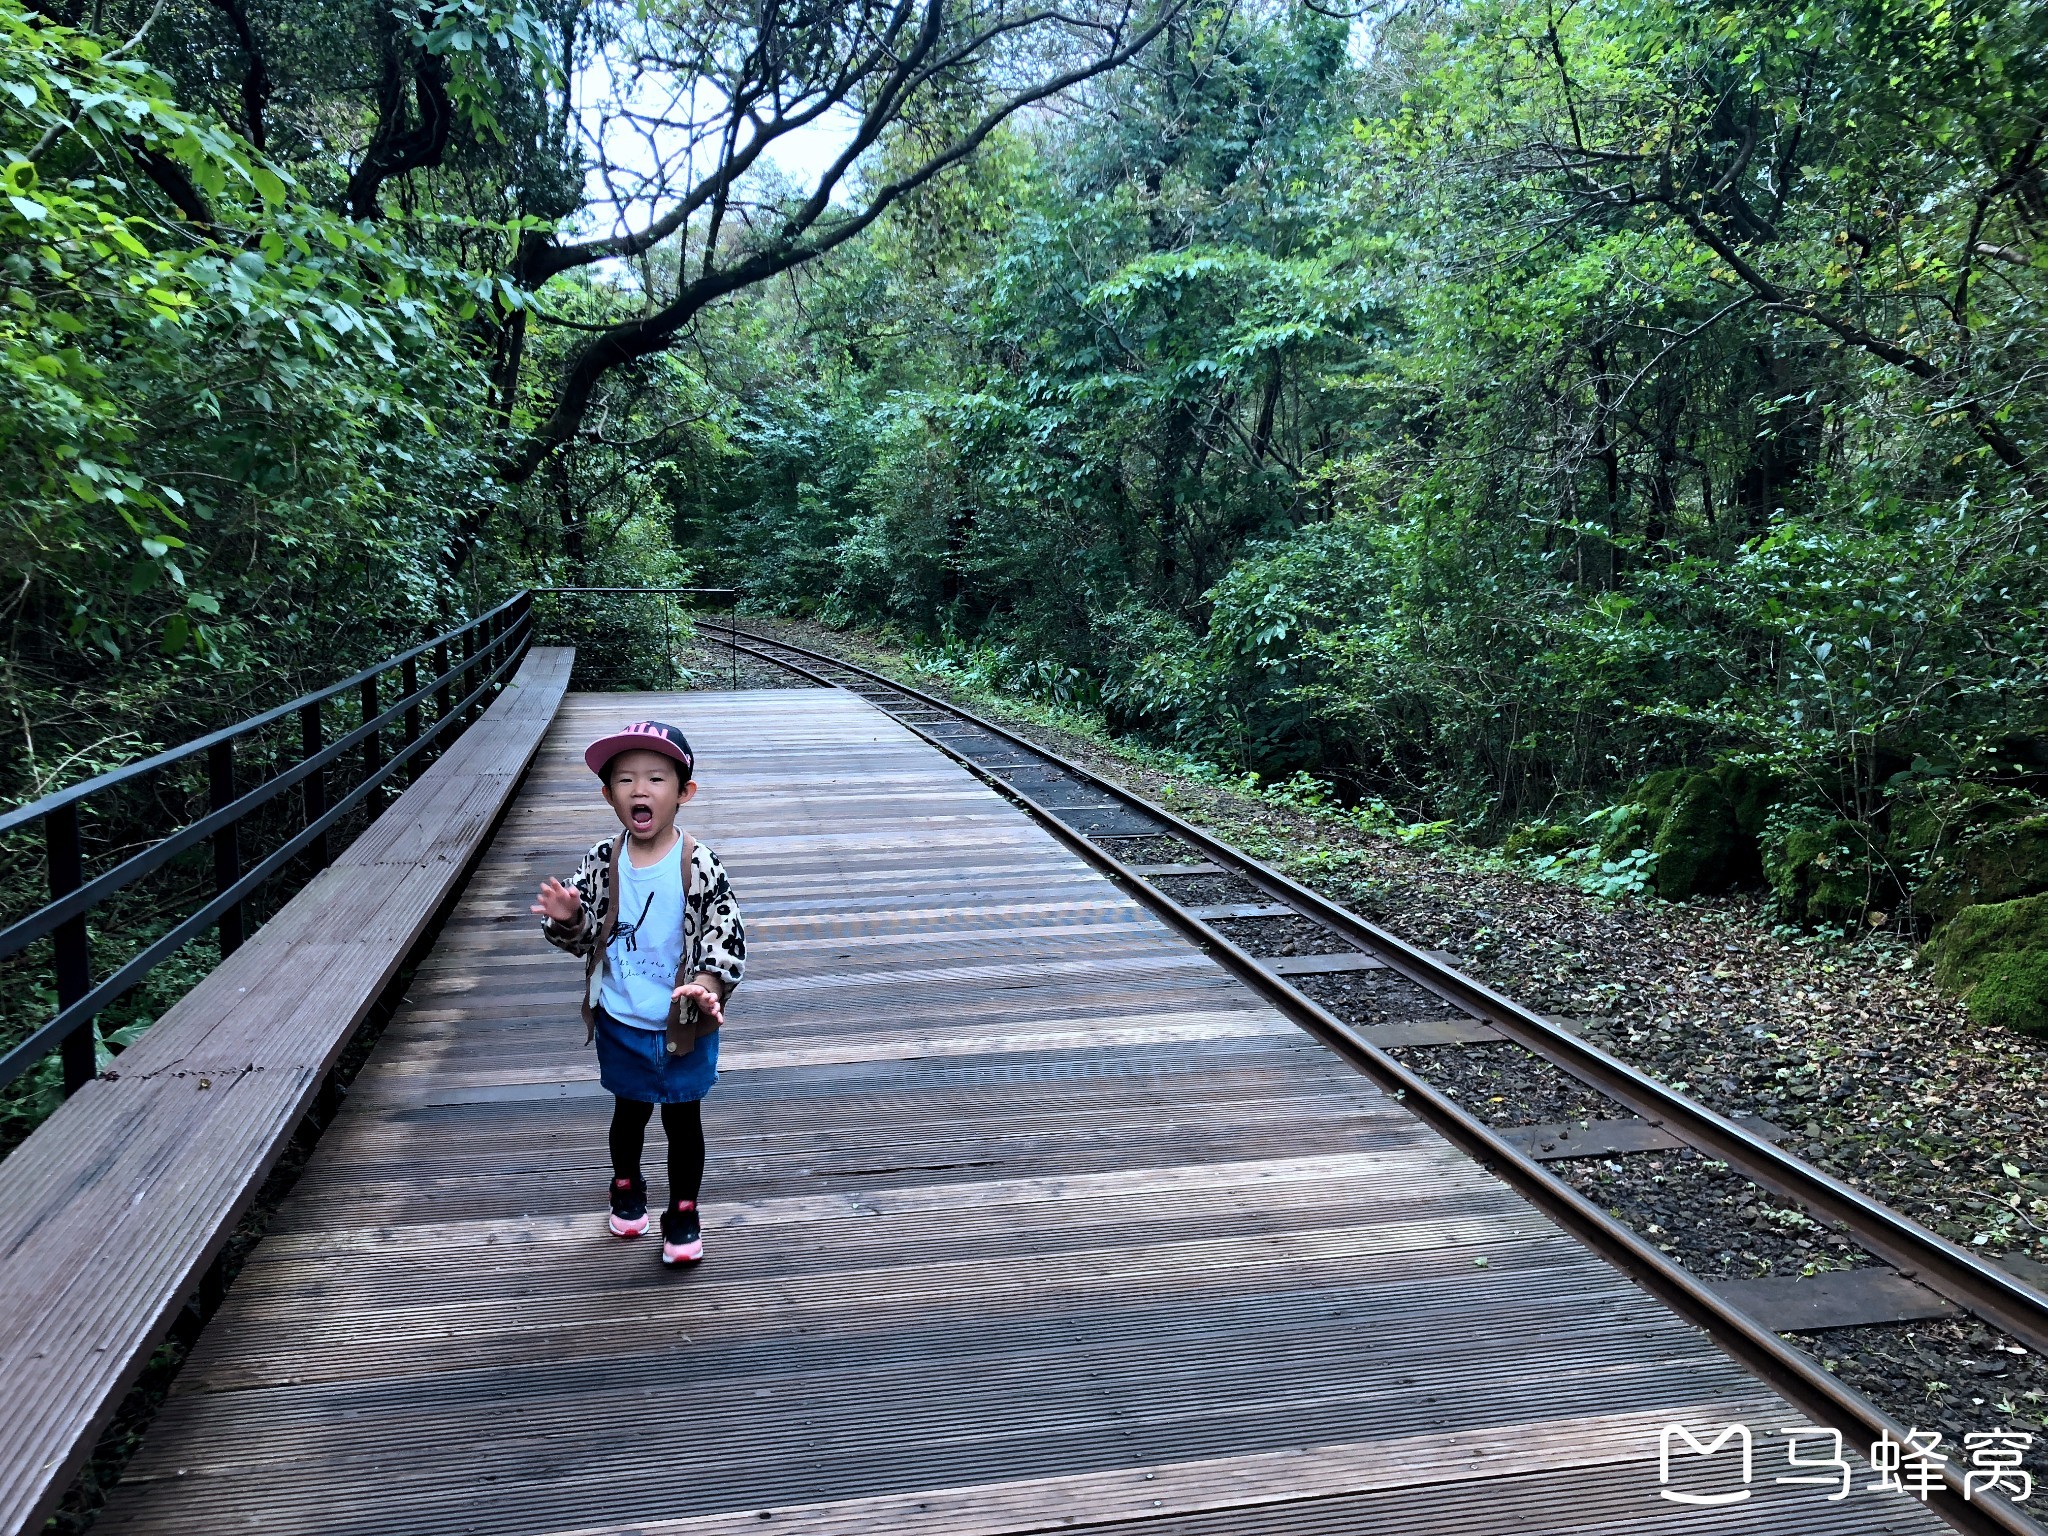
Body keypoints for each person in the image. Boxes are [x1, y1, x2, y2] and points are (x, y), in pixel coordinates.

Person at [531, 720, 745, 1267]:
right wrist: (571, 917)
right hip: (621, 1020)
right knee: (629, 1114)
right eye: (625, 780)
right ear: (609, 795)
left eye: (656, 778)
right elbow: (582, 940)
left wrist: (707, 984)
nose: (640, 790)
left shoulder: (698, 863)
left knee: (683, 1120)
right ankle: (625, 1184)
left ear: (684, 792)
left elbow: (726, 933)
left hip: (683, 1023)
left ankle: (684, 1208)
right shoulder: (604, 861)